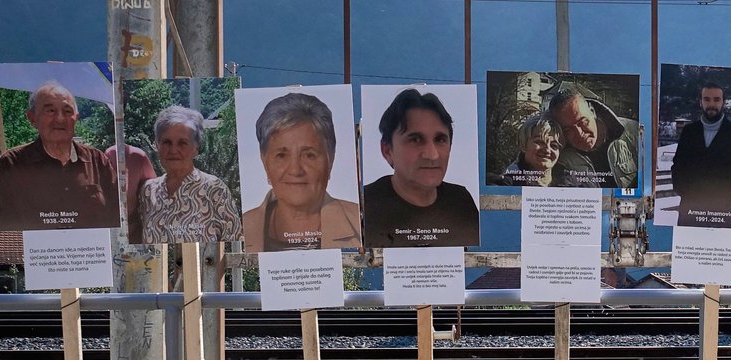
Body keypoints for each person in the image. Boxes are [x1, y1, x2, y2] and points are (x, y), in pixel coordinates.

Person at [242, 92, 361, 252]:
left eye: (309, 155)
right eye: (281, 155)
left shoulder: (360, 223)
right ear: (265, 161)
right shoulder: (242, 227)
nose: (295, 170)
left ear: (330, 159)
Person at [362, 88, 479, 248]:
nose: (432, 155)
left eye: (440, 140)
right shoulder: (365, 205)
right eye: (415, 140)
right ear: (387, 150)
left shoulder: (460, 200)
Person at [0, 81, 118, 231]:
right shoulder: (12, 164)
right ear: (32, 118)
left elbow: (116, 217)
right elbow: (6, 224)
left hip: (91, 246)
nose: (60, 119)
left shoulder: (97, 161)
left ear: (76, 118)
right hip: (39, 246)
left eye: (67, 111)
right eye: (50, 111)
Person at [136, 105, 242, 245]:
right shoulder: (148, 191)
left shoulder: (214, 189)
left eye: (182, 143)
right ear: (157, 145)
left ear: (196, 148)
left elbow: (235, 246)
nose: (173, 150)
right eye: (167, 142)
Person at [670, 80, 731, 227]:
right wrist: (685, 191)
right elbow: (678, 166)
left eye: (717, 99)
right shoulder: (689, 132)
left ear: (724, 102)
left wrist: (729, 193)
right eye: (707, 99)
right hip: (691, 211)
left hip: (724, 212)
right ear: (700, 102)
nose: (712, 104)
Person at [546, 86, 639, 188]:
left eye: (582, 122)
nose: (579, 133)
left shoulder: (634, 132)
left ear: (592, 111)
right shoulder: (560, 159)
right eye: (568, 130)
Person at [106, 143, 158, 243]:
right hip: (113, 228)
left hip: (135, 227)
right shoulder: (108, 155)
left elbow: (153, 190)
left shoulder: (138, 156)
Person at [502, 112, 563, 186]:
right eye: (539, 142)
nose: (547, 150)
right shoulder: (509, 183)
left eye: (554, 145)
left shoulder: (568, 180)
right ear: (523, 145)